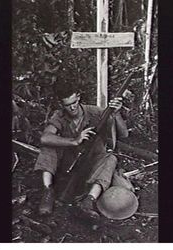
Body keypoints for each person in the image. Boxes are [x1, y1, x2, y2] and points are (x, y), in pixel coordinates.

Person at [34, 80, 128, 219]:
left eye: (74, 103)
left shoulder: (95, 112)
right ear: (61, 104)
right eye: (67, 105)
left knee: (111, 158)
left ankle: (89, 200)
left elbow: (124, 134)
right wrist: (74, 141)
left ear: (78, 97)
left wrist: (116, 113)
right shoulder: (59, 116)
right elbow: (45, 138)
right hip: (69, 164)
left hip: (92, 163)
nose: (72, 108)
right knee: (49, 147)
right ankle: (48, 191)